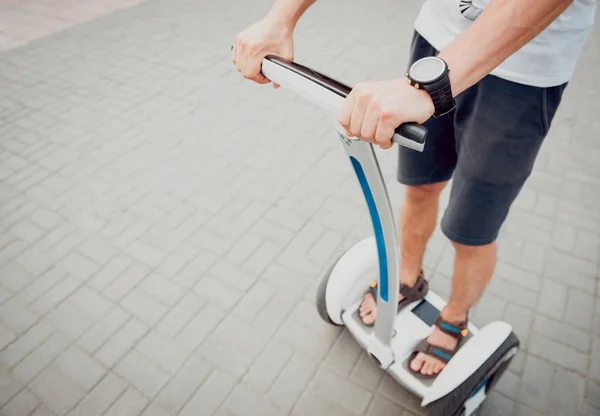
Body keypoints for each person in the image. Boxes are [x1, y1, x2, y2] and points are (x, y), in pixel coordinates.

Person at [232, 0, 596, 377]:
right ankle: (407, 278)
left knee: (471, 230)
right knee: (420, 187)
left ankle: (454, 317)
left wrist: (432, 87)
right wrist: (280, 17)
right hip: (435, 41)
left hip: (525, 71)